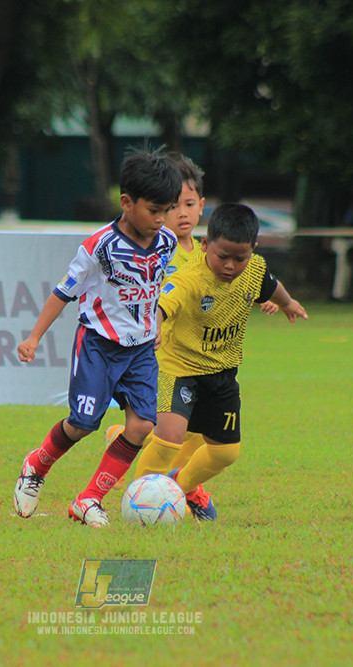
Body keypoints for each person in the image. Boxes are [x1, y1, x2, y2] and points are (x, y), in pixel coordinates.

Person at [12, 147, 182, 527]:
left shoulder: (167, 242)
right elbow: (63, 292)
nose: (161, 219)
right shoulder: (98, 247)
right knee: (84, 423)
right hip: (98, 347)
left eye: (166, 210)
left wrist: (154, 317)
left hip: (139, 351)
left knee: (141, 425)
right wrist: (35, 337)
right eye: (154, 210)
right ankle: (37, 464)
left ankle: (88, 499)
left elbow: (157, 285)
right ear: (127, 202)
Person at [130, 202, 308, 520]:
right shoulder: (189, 278)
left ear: (253, 250)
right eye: (222, 256)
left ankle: (179, 487)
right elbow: (162, 302)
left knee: (226, 452)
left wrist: (288, 302)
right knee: (169, 439)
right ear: (205, 245)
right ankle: (141, 503)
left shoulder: (254, 270)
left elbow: (271, 286)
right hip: (179, 368)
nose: (230, 265)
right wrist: (153, 325)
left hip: (222, 374)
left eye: (239, 258)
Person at [106, 152, 207, 489]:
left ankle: (127, 441)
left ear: (202, 206)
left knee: (199, 431)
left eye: (189, 204)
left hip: (198, 354)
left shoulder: (206, 252)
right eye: (173, 206)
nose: (181, 214)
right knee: (172, 430)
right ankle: (167, 490)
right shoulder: (158, 249)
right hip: (162, 355)